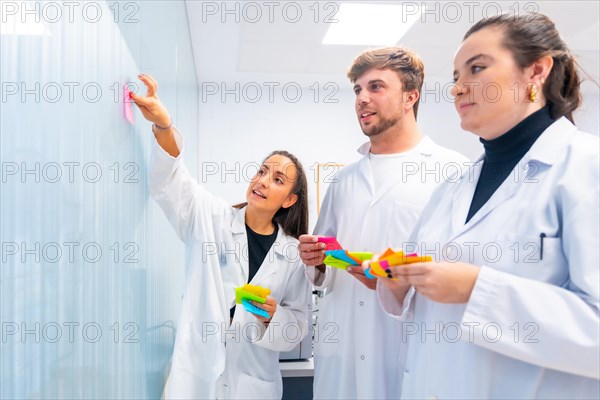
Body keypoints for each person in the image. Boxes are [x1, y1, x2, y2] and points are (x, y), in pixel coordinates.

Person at [371, 13, 599, 399]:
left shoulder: (585, 166)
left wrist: (479, 289)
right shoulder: (453, 186)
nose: (458, 89)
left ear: (536, 71)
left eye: (476, 68)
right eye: (456, 77)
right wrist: (398, 285)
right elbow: (430, 304)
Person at [299, 48, 468, 399]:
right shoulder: (343, 180)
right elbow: (329, 262)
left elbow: (461, 270)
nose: (362, 99)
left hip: (405, 353)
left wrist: (396, 279)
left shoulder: (453, 172)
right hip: (340, 358)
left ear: (410, 96)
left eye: (376, 87)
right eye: (358, 90)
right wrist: (316, 261)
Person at [131, 74, 311, 400]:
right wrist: (163, 125)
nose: (263, 181)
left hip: (254, 384)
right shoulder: (210, 217)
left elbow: (298, 326)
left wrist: (274, 316)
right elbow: (171, 180)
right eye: (262, 171)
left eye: (278, 179)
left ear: (289, 200)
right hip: (198, 379)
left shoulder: (293, 254)